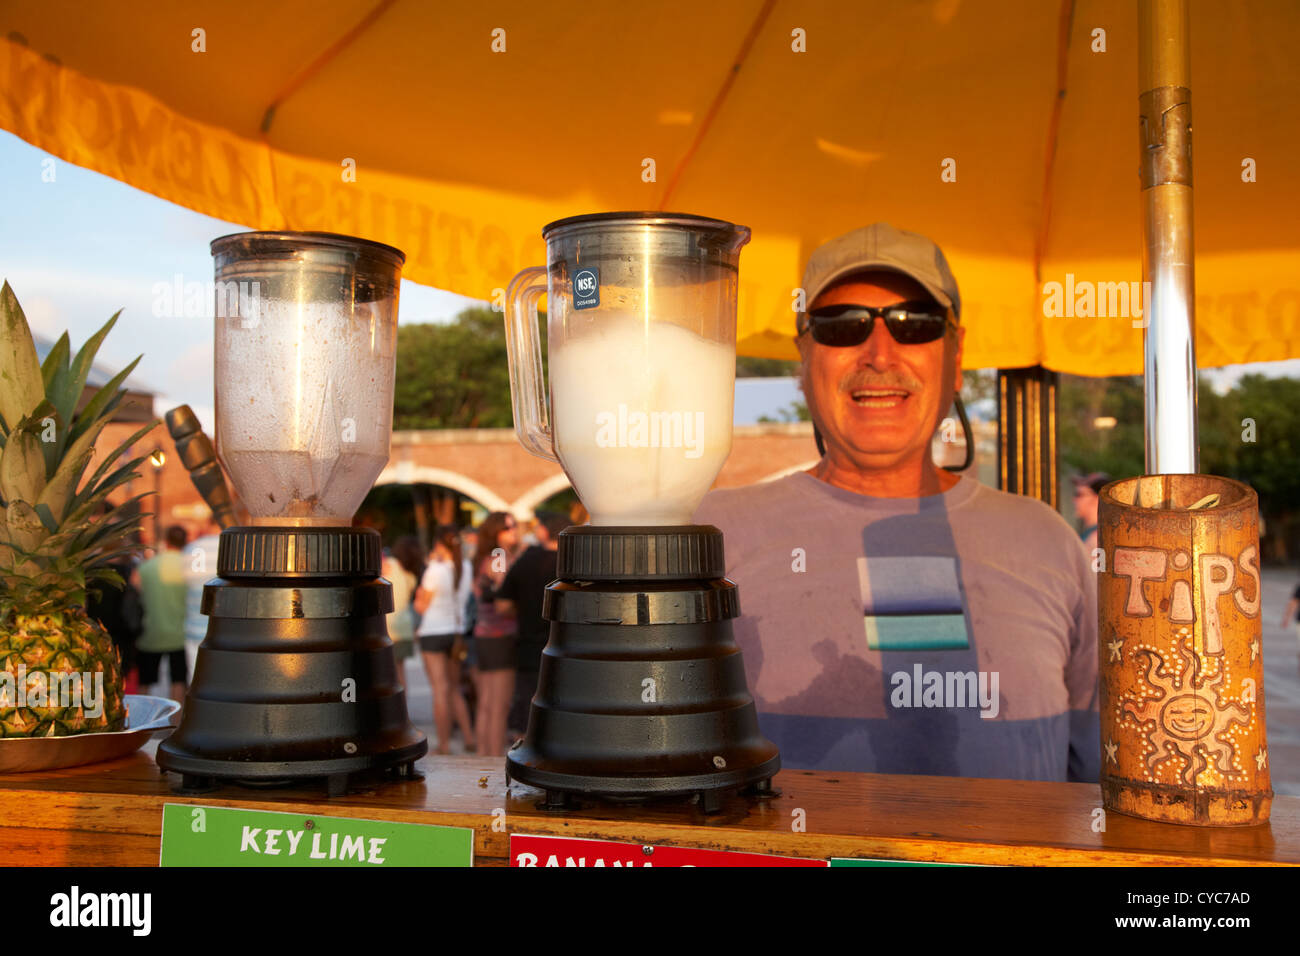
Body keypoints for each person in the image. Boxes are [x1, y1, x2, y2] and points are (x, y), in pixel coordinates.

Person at [694, 222, 1099, 783]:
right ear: (802, 363)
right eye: (842, 327)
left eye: (916, 324)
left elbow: (1101, 781)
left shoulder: (1047, 539)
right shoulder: (710, 535)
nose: (880, 354)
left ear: (955, 359)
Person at [497, 510, 567, 734]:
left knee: (527, 708)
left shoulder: (527, 561)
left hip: (529, 647)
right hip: (568, 649)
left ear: (544, 531)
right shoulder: (576, 564)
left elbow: (502, 605)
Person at [414, 526, 475, 753]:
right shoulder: (466, 567)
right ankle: (469, 737)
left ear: (440, 545)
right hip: (456, 633)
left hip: (433, 632)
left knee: (440, 689)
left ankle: (445, 744)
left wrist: (430, 564)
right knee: (454, 688)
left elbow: (421, 606)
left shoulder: (435, 570)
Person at [470, 512, 520, 755]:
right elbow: (502, 593)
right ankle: (492, 759)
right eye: (509, 527)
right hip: (501, 636)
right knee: (498, 705)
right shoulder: (500, 556)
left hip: (484, 634)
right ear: (496, 531)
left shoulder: (483, 557)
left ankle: (482, 755)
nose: (515, 531)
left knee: (487, 703)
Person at [132, 524, 190, 703]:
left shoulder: (147, 567)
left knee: (145, 681)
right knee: (178, 681)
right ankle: (176, 723)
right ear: (185, 542)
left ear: (166, 541)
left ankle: (142, 720)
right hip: (180, 634)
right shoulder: (189, 567)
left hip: (151, 632)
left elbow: (135, 588)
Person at [181, 520, 222, 688]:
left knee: (195, 679)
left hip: (194, 626)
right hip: (224, 628)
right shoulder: (233, 545)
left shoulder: (191, 548)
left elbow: (182, 582)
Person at [383, 535, 425, 690]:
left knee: (387, 674)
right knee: (400, 673)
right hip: (406, 628)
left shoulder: (390, 564)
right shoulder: (412, 575)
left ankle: (395, 712)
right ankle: (404, 710)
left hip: (388, 627)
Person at [1071, 472, 1110, 554]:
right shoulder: (1097, 533)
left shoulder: (1097, 539)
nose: (1074, 500)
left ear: (1097, 499)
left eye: (1079, 495)